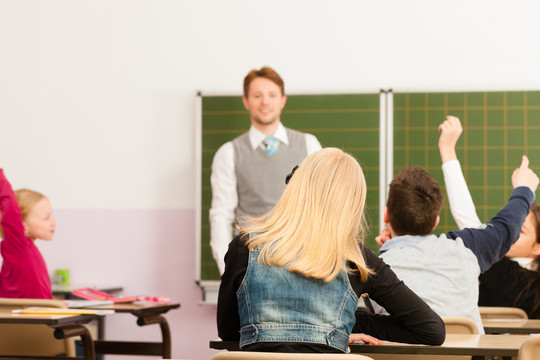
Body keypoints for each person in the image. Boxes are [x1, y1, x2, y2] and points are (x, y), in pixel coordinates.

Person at [217, 148, 445, 353]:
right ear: (352, 203)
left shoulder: (245, 246)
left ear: (297, 186)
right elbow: (431, 330)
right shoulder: (356, 258)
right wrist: (338, 325)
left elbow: (228, 331)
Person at [371, 142, 539, 333]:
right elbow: (507, 225)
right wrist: (524, 188)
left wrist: (389, 252)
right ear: (435, 221)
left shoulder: (371, 270)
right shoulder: (466, 249)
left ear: (386, 215)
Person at [209, 66, 322, 274]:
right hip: (250, 264)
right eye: (257, 95)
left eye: (272, 95)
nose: (265, 102)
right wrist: (229, 271)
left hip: (301, 261)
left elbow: (322, 206)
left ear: (282, 100)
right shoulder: (229, 153)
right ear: (246, 101)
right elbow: (221, 215)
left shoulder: (309, 145)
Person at [438, 115, 540, 318]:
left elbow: (468, 221)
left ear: (537, 247)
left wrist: (448, 150)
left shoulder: (521, 282)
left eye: (520, 230)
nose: (509, 231)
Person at [0, 169, 56, 298]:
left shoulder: (26, 249)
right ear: (21, 225)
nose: (54, 222)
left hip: (43, 314)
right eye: (46, 217)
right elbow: (10, 210)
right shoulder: (18, 248)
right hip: (30, 317)